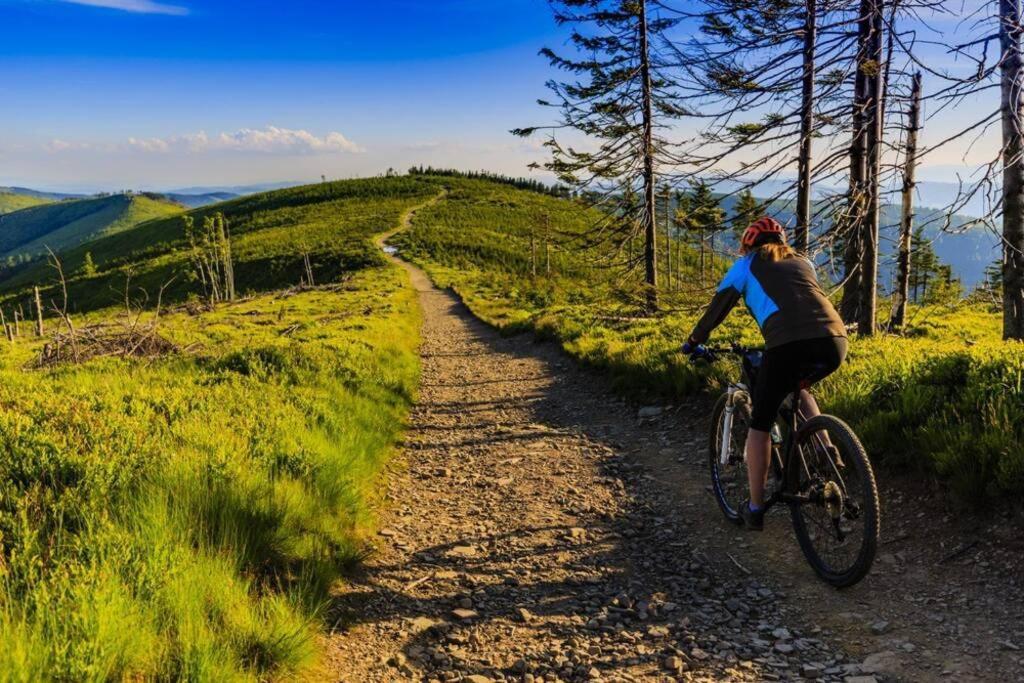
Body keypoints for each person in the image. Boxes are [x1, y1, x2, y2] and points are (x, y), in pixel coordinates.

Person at [683, 216, 847, 531]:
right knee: (800, 388)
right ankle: (828, 451)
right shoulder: (802, 261)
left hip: (787, 343)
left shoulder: (745, 265)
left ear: (747, 245)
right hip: (835, 341)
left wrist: (693, 343)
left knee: (760, 423)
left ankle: (756, 508)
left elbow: (715, 312)